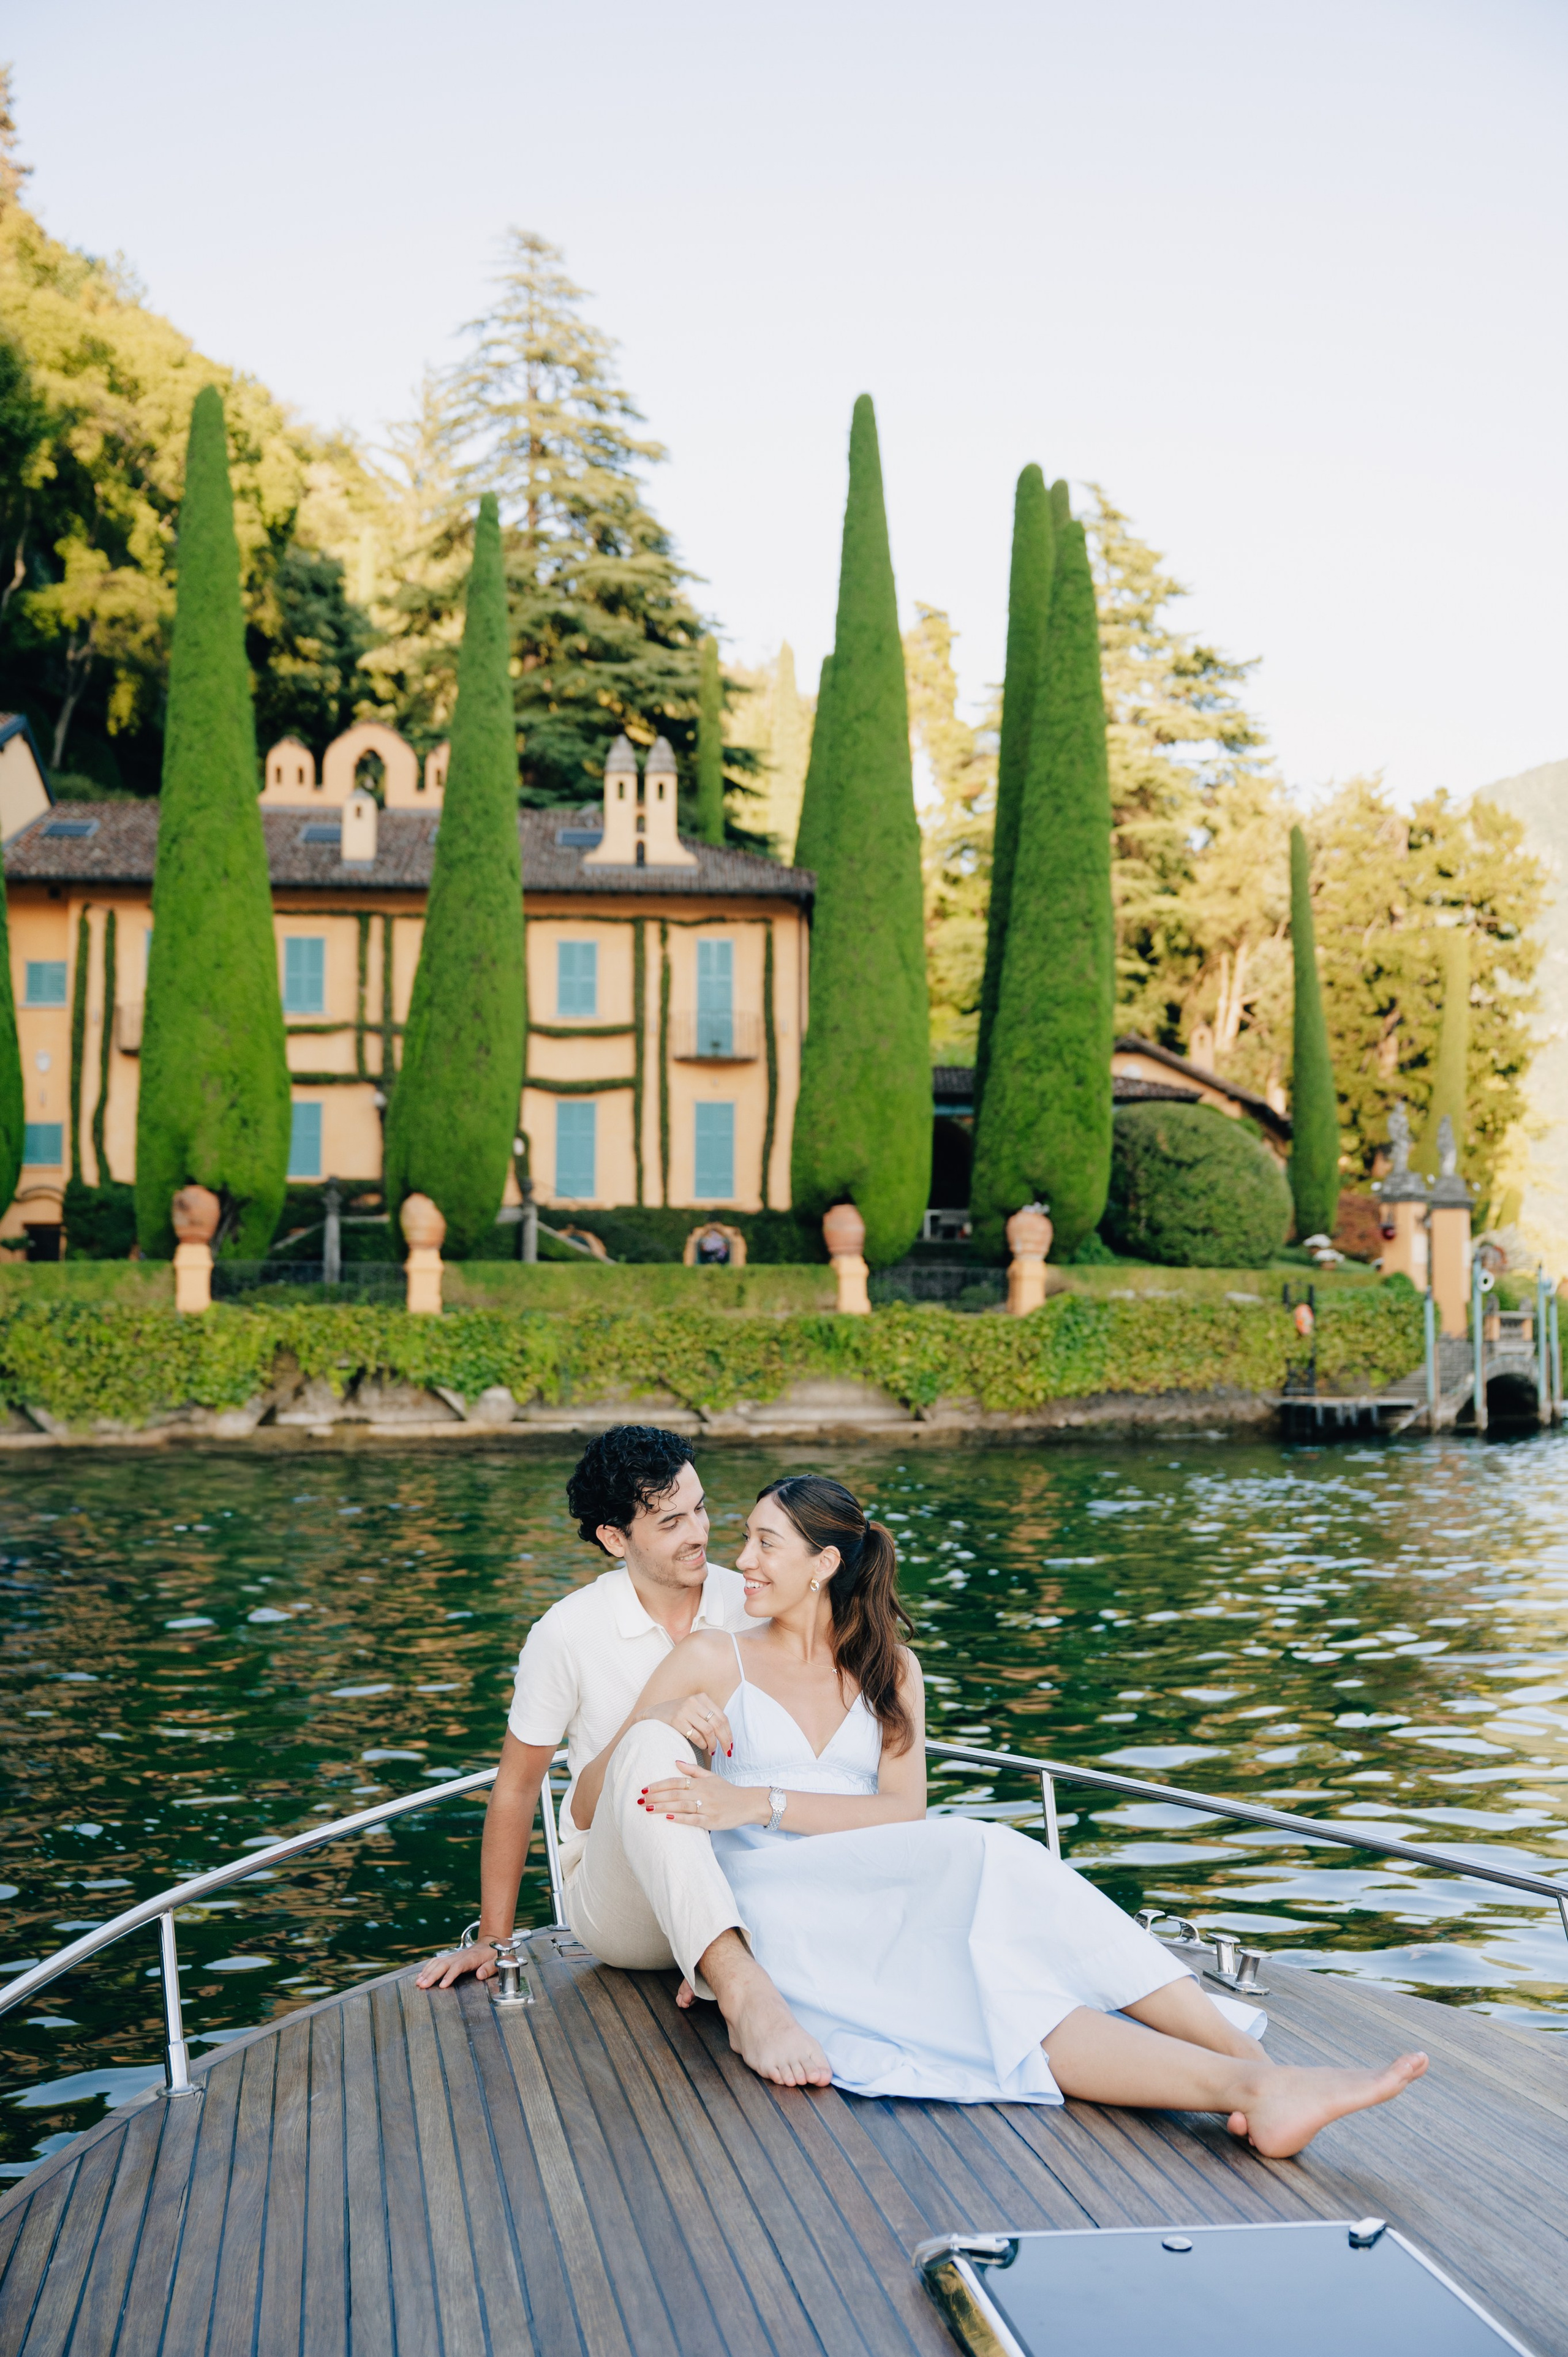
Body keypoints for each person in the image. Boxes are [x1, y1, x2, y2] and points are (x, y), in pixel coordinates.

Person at [625, 1473, 1430, 2159]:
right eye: (746, 1539)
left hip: (875, 1873)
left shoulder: (892, 1669)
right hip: (769, 1896)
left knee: (996, 1975)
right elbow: (599, 1799)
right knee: (988, 1865)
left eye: (765, 1543)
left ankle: (1251, 2073)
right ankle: (1249, 2067)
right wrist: (664, 1722)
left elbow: (903, 1812)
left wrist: (758, 1800)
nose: (741, 1561)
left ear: (824, 1564)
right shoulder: (711, 1657)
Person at [416, 1427, 832, 2086]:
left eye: (700, 1507)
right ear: (615, 1537)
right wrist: (494, 1939)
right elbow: (519, 1787)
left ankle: (737, 1958)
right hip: (621, 1899)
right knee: (651, 1741)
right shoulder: (566, 1632)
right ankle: (743, 1992)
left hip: (746, 1867)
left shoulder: (753, 1596)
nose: (699, 1531)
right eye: (671, 1521)